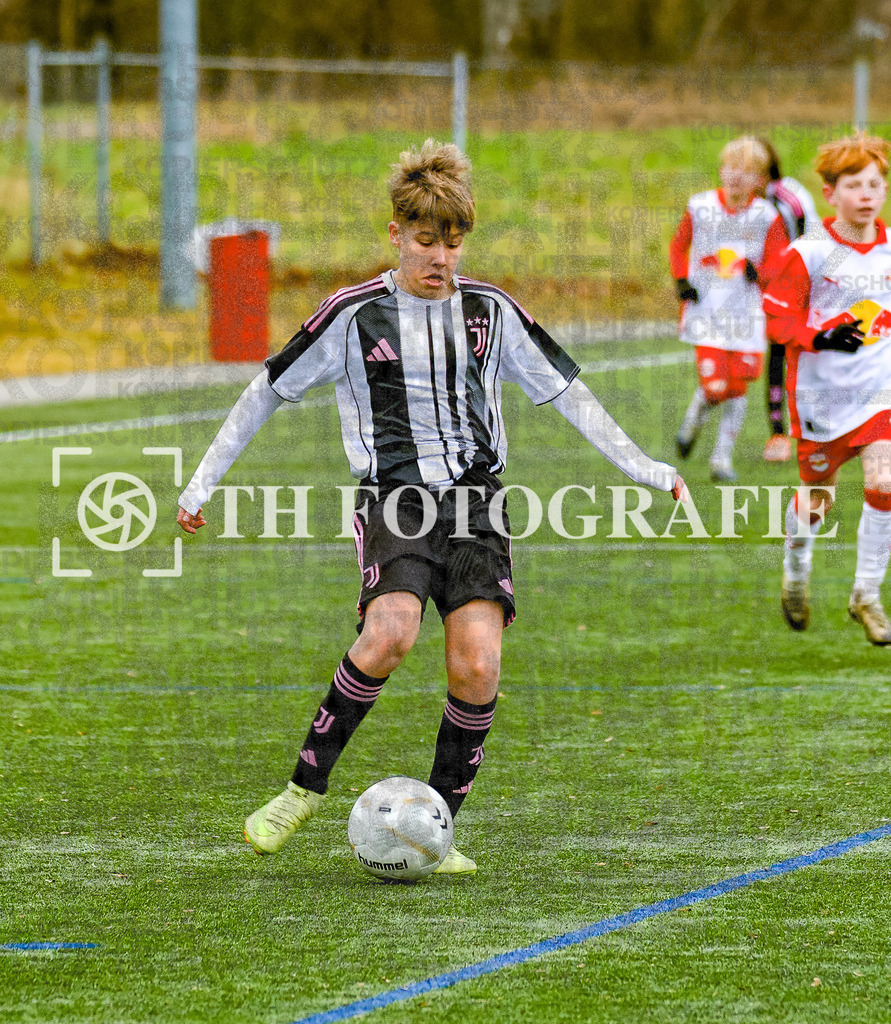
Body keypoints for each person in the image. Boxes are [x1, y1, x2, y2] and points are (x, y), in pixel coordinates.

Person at [176, 139, 689, 874]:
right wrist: (201, 483)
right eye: (424, 242)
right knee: (390, 633)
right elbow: (266, 391)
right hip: (396, 500)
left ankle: (438, 826)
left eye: (451, 243)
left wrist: (644, 467)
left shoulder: (489, 311)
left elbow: (567, 393)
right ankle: (303, 788)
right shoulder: (351, 315)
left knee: (477, 667)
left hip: (476, 505)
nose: (439, 259)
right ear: (394, 234)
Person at [763, 133, 891, 645]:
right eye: (855, 185)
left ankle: (867, 593)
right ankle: (796, 574)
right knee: (818, 502)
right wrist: (820, 338)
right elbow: (777, 323)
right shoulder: (810, 253)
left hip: (879, 396)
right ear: (830, 192)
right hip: (820, 401)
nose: (867, 194)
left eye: (876, 184)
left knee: (884, 481)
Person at [670, 136, 790, 482]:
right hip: (706, 314)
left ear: (758, 180)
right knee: (716, 388)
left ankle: (721, 460)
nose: (735, 175)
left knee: (738, 387)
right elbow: (679, 246)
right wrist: (682, 281)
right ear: (721, 170)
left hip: (745, 316)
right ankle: (692, 421)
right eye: (730, 167)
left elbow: (778, 262)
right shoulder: (700, 206)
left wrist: (761, 273)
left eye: (746, 170)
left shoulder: (767, 216)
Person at [758, 139, 821, 464]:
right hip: (760, 285)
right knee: (770, 353)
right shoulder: (741, 202)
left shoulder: (787, 197)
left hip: (798, 282)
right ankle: (778, 433)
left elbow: (808, 239)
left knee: (789, 350)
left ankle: (792, 431)